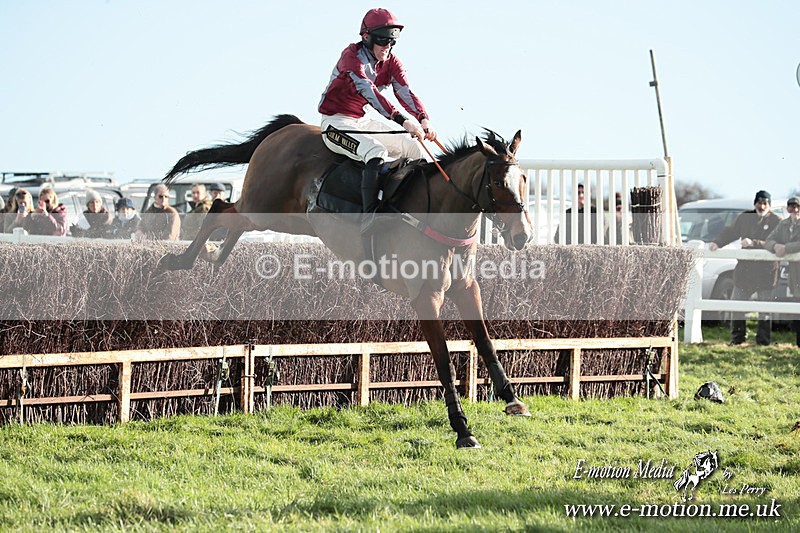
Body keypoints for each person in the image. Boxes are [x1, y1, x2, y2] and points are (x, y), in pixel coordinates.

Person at [318, 7, 436, 233]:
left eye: (392, 42)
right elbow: (370, 93)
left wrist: (423, 119)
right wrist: (403, 120)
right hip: (335, 123)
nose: (387, 47)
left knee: (414, 149)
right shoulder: (351, 57)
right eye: (382, 41)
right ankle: (370, 217)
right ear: (366, 37)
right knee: (376, 152)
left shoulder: (392, 62)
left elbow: (405, 92)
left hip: (361, 121)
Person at [708, 190, 782, 345]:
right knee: (737, 305)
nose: (761, 206)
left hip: (766, 273)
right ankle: (737, 339)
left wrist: (754, 243)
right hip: (745, 271)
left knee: (765, 309)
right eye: (759, 202)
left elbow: (775, 243)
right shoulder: (744, 217)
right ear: (754, 203)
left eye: (765, 203)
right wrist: (717, 242)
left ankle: (763, 342)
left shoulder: (777, 221)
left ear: (770, 204)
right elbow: (730, 231)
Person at [765, 196, 800, 347]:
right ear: (788, 209)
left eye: (798, 207)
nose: (795, 210)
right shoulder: (783, 224)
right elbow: (769, 240)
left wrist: (787, 248)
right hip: (794, 273)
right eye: (792, 207)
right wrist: (775, 247)